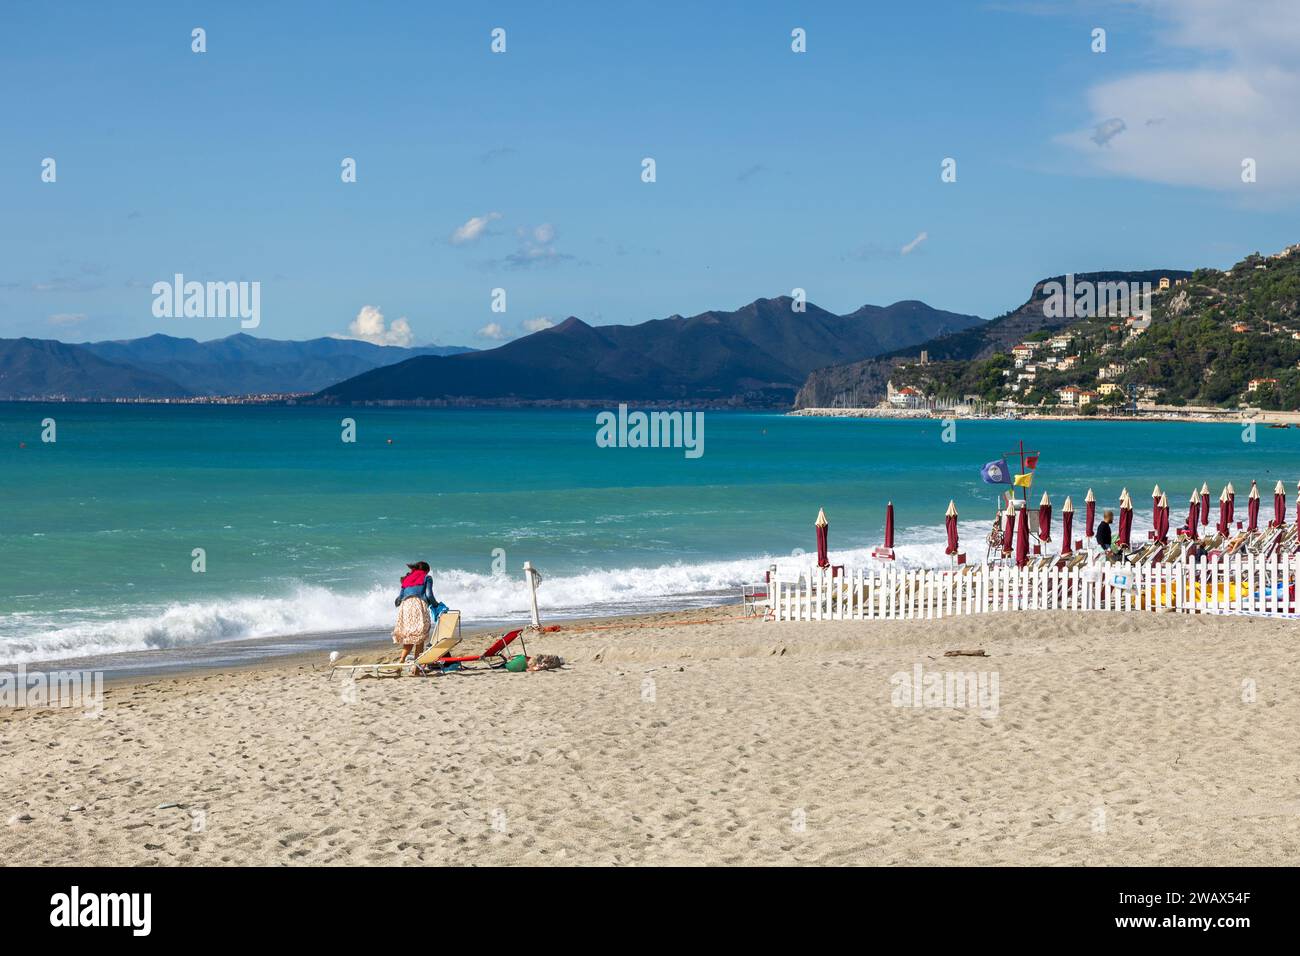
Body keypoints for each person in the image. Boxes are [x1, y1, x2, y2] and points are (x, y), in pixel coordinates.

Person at [392, 561, 435, 663]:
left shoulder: (406, 579)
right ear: (426, 570)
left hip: (405, 606)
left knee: (410, 636)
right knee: (420, 635)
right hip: (418, 605)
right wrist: (436, 605)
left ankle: (402, 659)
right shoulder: (427, 578)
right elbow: (429, 595)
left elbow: (399, 598)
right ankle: (416, 666)